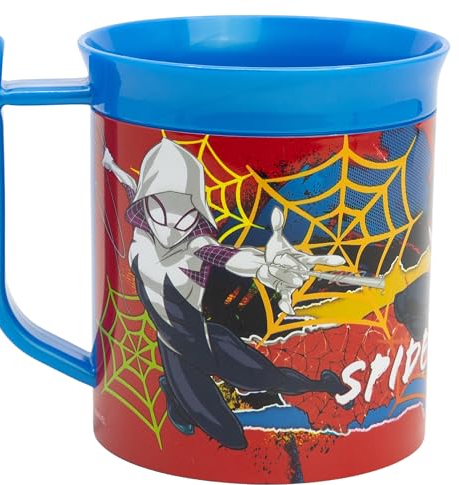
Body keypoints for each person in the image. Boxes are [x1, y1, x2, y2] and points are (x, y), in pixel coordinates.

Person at [102, 138, 351, 450]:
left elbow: (228, 256)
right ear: (146, 205)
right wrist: (110, 164)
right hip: (175, 352)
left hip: (207, 342)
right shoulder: (142, 234)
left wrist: (265, 266)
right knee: (231, 436)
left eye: (185, 214)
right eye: (160, 209)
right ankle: (173, 389)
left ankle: (324, 384)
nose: (172, 226)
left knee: (269, 378)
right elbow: (131, 186)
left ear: (197, 214)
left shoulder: (195, 249)